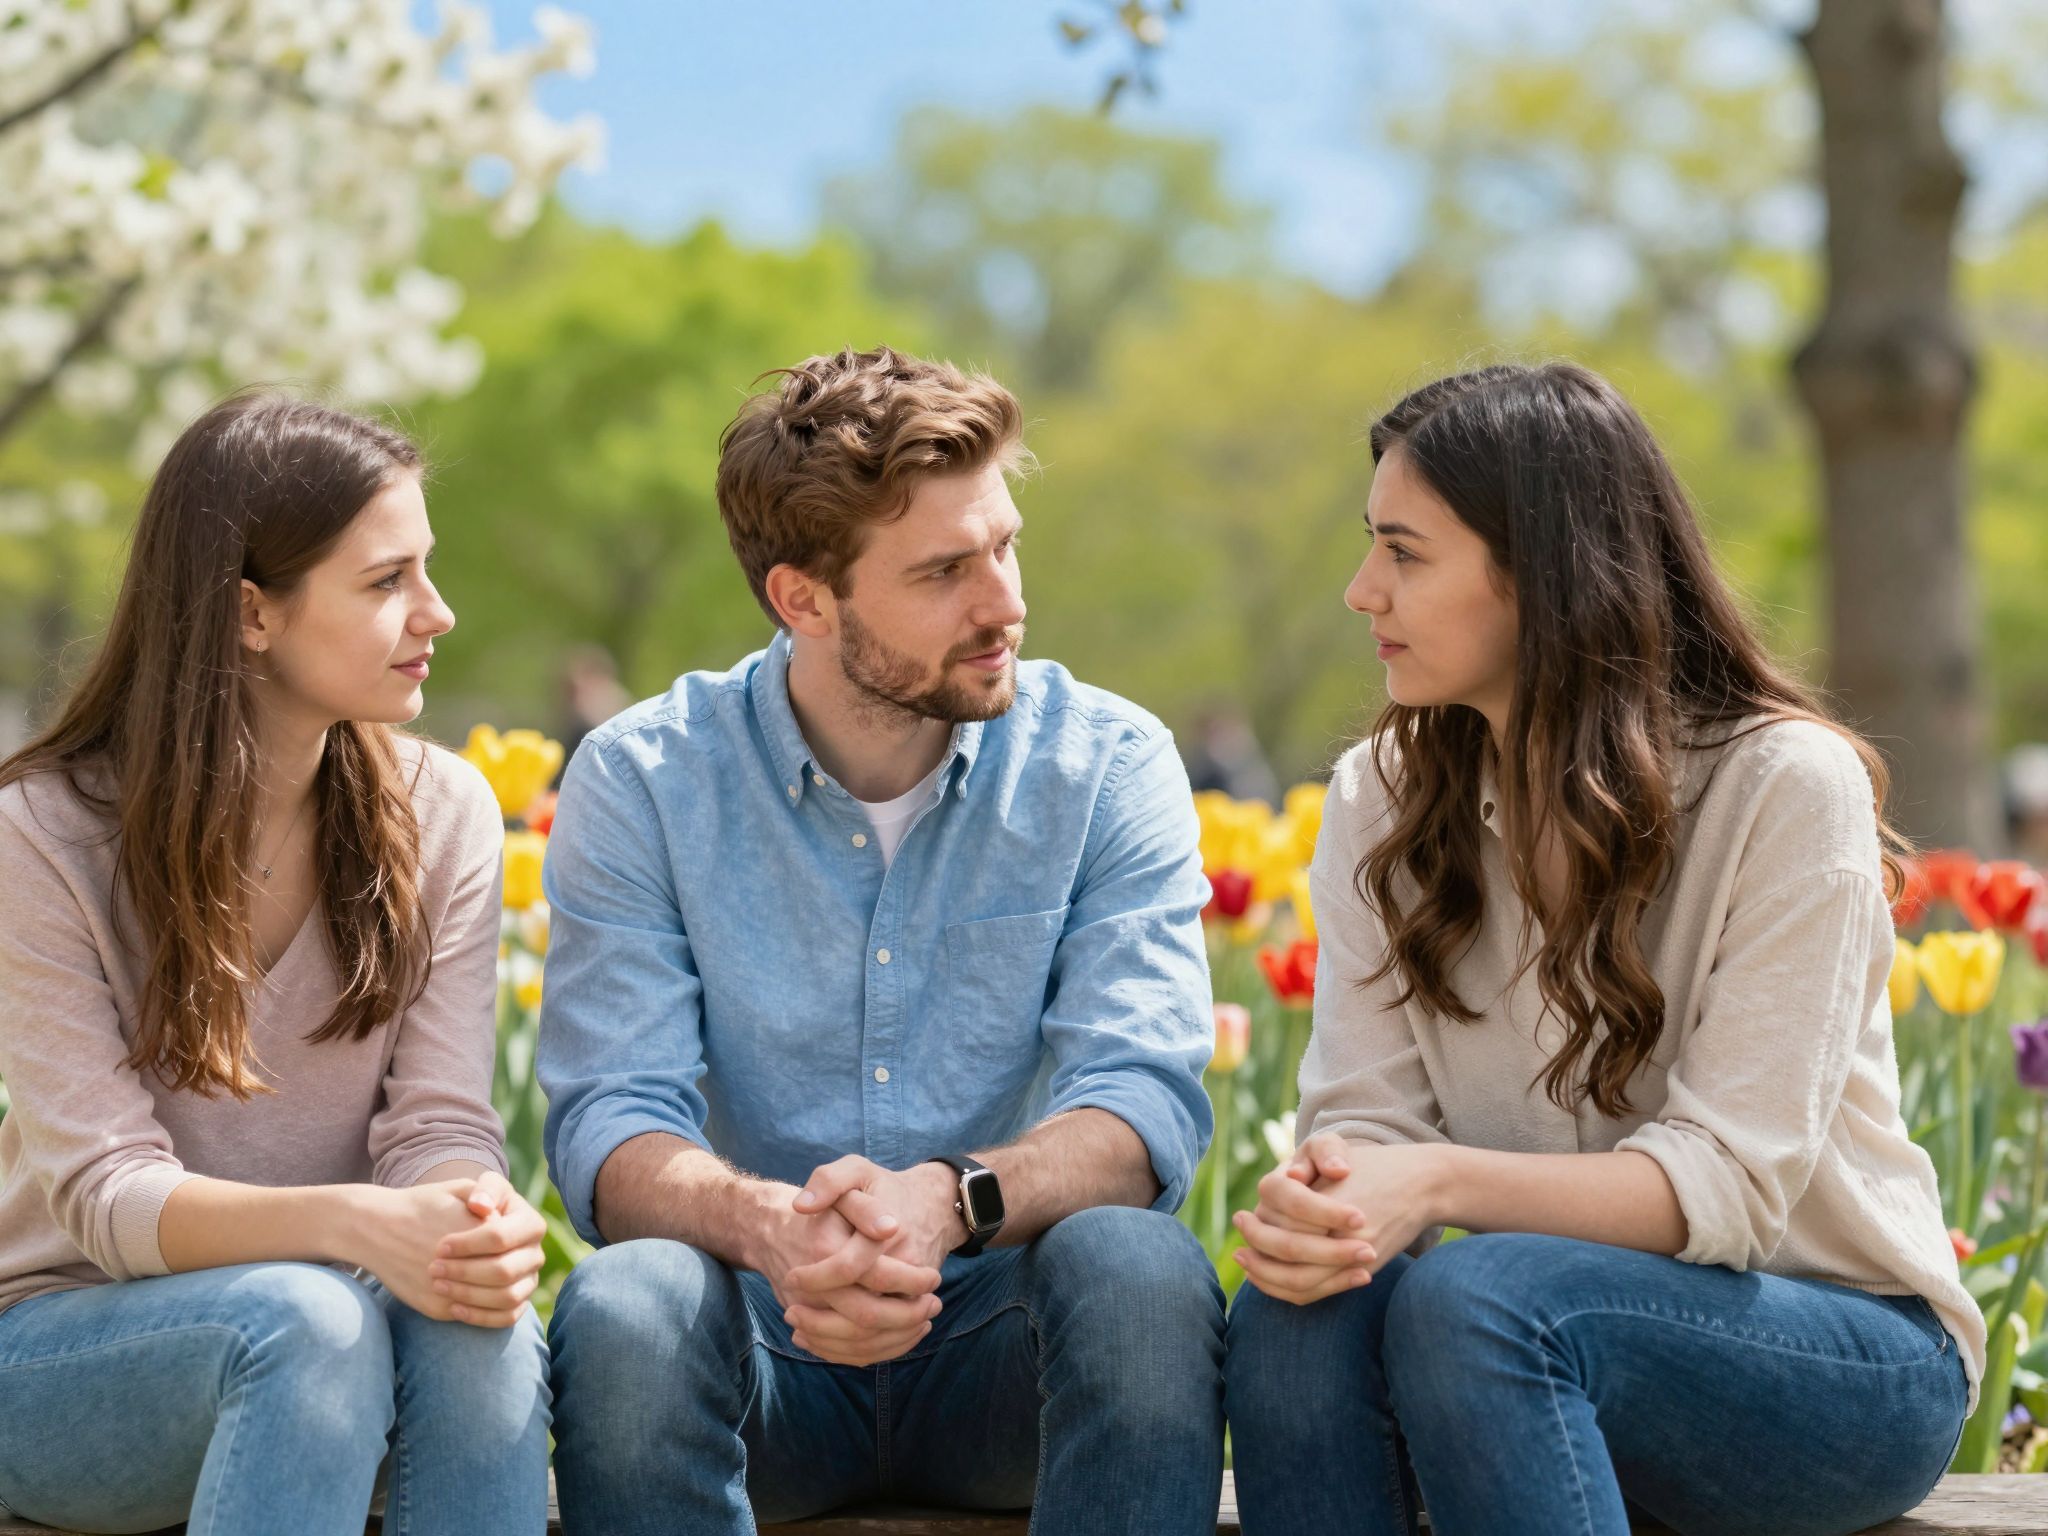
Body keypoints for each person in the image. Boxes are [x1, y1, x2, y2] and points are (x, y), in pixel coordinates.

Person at [1223, 363, 1982, 1536]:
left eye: (1403, 552)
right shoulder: (1381, 796)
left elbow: (1726, 1187)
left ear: (1541, 572)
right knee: (1293, 1310)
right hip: (1534, 1331)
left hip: (1839, 1355)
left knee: (1485, 1298)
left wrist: (1433, 1181)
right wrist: (1333, 1197)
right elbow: (1365, 1121)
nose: (1358, 590)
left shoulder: (1780, 785)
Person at [539, 346, 1225, 1534]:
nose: (1004, 601)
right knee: (627, 1300)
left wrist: (950, 1200)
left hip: (1003, 1360)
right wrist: (776, 1232)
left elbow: (1144, 1099)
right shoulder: (646, 777)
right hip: (764, 1355)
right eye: (946, 570)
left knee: (1139, 1272)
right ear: (802, 598)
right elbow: (609, 1118)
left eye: (1004, 545)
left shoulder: (1106, 762)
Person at [0, 394, 551, 1535]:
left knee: (472, 1312)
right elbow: (108, 1201)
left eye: (426, 570)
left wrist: (468, 1213)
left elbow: (437, 1121)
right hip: (63, 1351)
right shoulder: (40, 837)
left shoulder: (439, 811)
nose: (436, 613)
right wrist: (356, 1226)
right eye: (385, 581)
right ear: (252, 615)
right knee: (308, 1320)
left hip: (322, 1335)